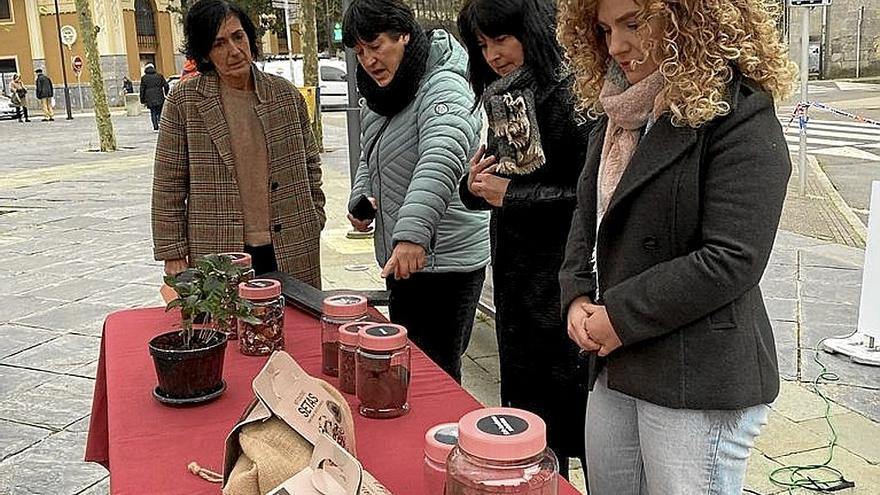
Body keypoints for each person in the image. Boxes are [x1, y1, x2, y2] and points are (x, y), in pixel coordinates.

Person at [556, 0, 797, 493]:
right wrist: (576, 293)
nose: (616, 46)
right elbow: (590, 216)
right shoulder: (618, 113)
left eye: (634, 23)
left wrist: (619, 316)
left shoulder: (739, 111)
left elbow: (732, 257)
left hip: (697, 372)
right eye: (603, 29)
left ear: (690, 17)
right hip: (617, 361)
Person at [456, 0, 590, 481]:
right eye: (483, 44)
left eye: (502, 39)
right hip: (514, 283)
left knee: (576, 429)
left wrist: (513, 195)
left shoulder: (571, 92)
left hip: (565, 283)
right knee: (532, 430)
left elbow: (590, 195)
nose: (493, 54)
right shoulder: (503, 93)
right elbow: (498, 188)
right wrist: (474, 185)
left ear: (531, 31)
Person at [343, 0, 490, 383]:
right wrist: (362, 200)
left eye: (375, 45)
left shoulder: (444, 83)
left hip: (445, 261)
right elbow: (370, 156)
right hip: (405, 258)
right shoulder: (384, 92)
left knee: (435, 374)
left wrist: (411, 236)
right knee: (407, 366)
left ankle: (445, 441)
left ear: (404, 33)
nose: (369, 60)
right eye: (359, 52)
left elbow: (441, 158)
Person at [151, 0, 326, 286]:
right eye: (219, 44)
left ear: (249, 38)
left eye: (238, 37)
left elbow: (310, 165)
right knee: (222, 328)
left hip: (292, 244)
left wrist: (314, 216)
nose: (233, 51)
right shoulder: (185, 101)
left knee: (296, 326)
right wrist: (173, 253)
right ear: (205, 53)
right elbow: (168, 183)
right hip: (218, 248)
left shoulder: (285, 95)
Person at [140, 63, 169, 131]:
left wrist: (142, 100)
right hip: (159, 96)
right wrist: (166, 94)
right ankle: (160, 123)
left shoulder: (144, 78)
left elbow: (142, 89)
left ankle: (155, 126)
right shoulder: (159, 76)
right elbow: (166, 85)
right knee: (160, 111)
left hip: (149, 98)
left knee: (153, 112)